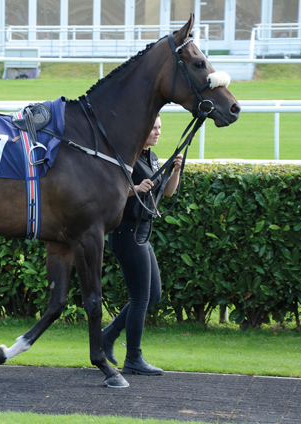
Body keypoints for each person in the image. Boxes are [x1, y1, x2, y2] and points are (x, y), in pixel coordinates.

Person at [102, 114, 183, 375]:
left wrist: (176, 170)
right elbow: (112, 191)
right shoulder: (129, 156)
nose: (158, 132)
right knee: (140, 298)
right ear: (141, 130)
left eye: (160, 128)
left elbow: (167, 192)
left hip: (143, 232)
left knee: (153, 295)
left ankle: (108, 335)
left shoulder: (152, 157)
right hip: (126, 232)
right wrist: (136, 187)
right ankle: (133, 359)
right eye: (153, 129)